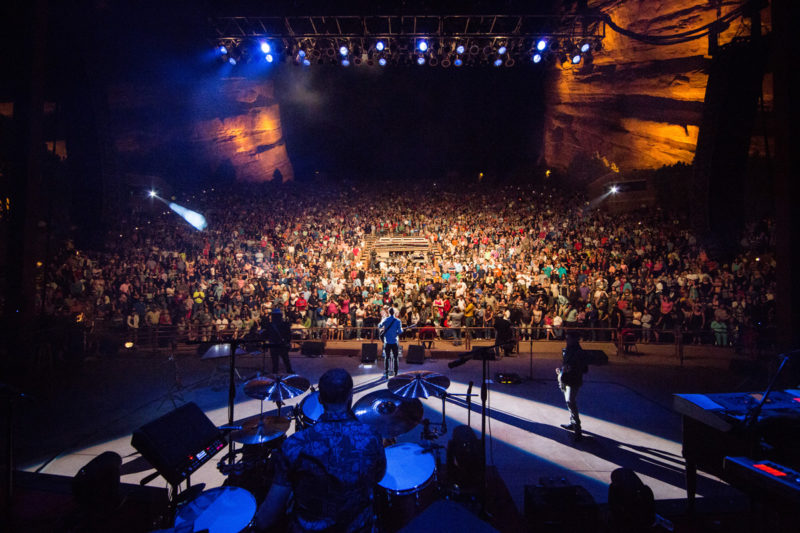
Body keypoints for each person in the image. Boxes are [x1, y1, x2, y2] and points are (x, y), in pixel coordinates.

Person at [254, 368, 386, 532]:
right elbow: (378, 475)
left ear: (320, 399)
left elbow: (268, 516)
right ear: (350, 396)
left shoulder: (295, 445)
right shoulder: (371, 436)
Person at [557, 333, 588, 441]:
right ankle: (572, 422)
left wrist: (570, 369)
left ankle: (577, 429)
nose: (566, 340)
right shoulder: (569, 349)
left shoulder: (578, 352)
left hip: (573, 379)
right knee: (569, 402)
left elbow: (584, 368)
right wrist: (562, 371)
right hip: (567, 378)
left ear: (574, 340)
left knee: (571, 402)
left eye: (568, 338)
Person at [267, 308, 294, 374]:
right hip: (282, 344)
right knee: (285, 359)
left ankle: (275, 373)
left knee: (275, 361)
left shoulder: (270, 325)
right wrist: (287, 342)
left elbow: (268, 335)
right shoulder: (285, 324)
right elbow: (289, 335)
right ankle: (289, 371)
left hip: (274, 345)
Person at [378, 307, 403, 377]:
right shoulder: (398, 321)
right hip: (395, 341)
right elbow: (400, 332)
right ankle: (396, 373)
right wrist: (401, 330)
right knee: (396, 357)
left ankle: (386, 372)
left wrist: (382, 320)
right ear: (394, 313)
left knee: (387, 357)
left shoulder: (386, 319)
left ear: (388, 313)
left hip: (387, 341)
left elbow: (379, 326)